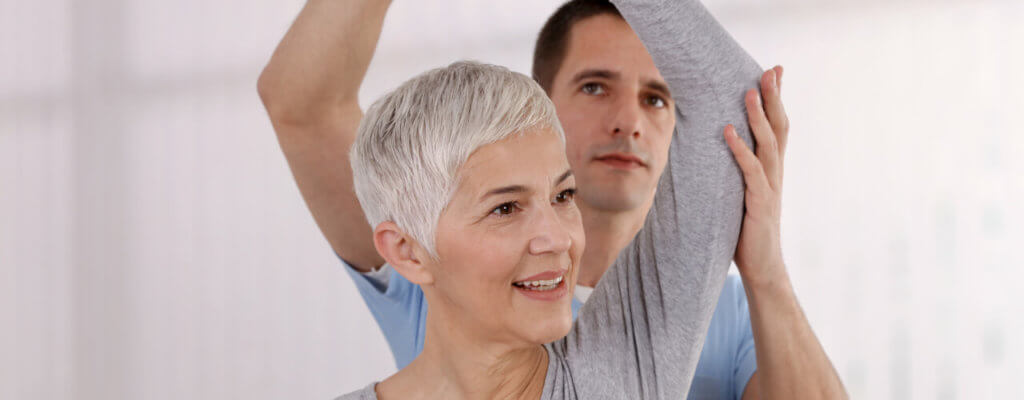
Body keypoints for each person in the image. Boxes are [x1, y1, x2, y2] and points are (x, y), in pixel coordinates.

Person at [258, 0, 847, 398]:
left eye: (657, 98)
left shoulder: (650, 341)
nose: (627, 122)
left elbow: (728, 95)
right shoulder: (427, 261)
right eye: (595, 87)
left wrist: (763, 264)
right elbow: (303, 105)